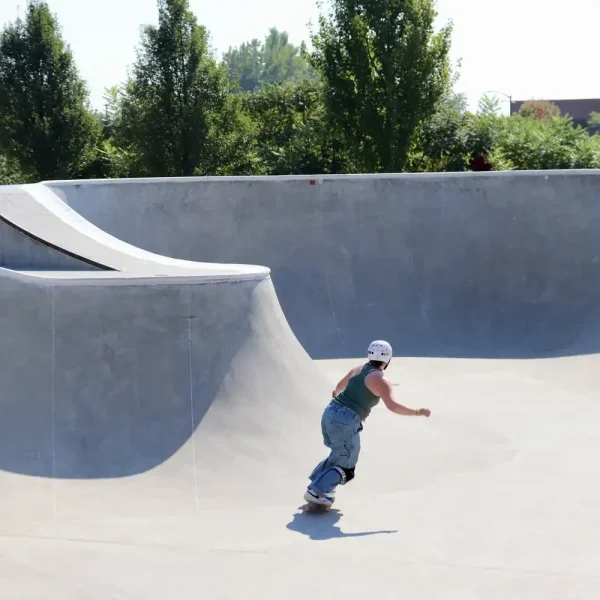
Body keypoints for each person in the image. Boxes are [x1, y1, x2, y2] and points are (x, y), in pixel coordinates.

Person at [304, 340, 431, 507]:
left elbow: (338, 388)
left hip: (330, 412)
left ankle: (317, 484)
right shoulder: (381, 380)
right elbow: (393, 406)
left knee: (339, 454)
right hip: (345, 420)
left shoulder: (358, 369)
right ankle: (318, 491)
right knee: (347, 465)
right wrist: (416, 411)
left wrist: (339, 398)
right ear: (388, 360)